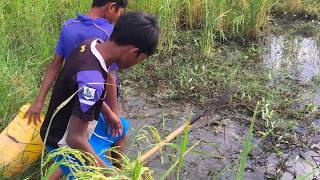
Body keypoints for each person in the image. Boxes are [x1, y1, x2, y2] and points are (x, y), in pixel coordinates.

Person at [40, 11, 160, 179]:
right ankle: (72, 169)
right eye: (140, 60)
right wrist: (109, 173)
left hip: (75, 121)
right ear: (134, 52)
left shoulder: (91, 45)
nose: (136, 64)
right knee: (97, 174)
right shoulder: (93, 81)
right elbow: (75, 139)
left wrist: (107, 111)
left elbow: (81, 90)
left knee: (120, 128)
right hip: (62, 140)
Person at [24, 0, 128, 171]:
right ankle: (121, 172)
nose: (117, 19)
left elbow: (55, 65)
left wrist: (39, 101)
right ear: (112, 7)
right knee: (110, 137)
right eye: (120, 13)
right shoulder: (108, 33)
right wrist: (113, 112)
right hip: (93, 104)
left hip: (70, 102)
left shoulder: (68, 27)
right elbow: (110, 76)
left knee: (73, 146)